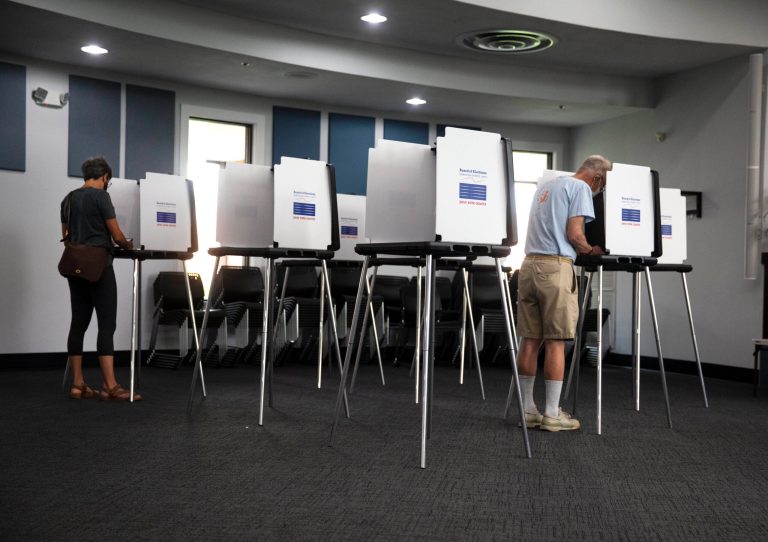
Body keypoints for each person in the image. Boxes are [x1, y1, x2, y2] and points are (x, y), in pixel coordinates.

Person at [516, 155, 611, 431]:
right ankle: (552, 414)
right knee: (557, 340)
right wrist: (591, 249)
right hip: (556, 267)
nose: (598, 191)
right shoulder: (581, 188)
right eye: (601, 187)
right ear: (597, 178)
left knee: (530, 340)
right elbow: (574, 234)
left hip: (529, 265)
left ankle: (527, 409)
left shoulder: (546, 187)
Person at [61, 157, 140, 401]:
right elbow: (116, 234)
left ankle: (78, 384)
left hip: (75, 266)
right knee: (107, 324)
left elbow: (65, 234)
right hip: (99, 267)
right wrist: (127, 243)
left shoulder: (68, 199)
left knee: (78, 323)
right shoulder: (101, 197)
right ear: (105, 176)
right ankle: (110, 386)